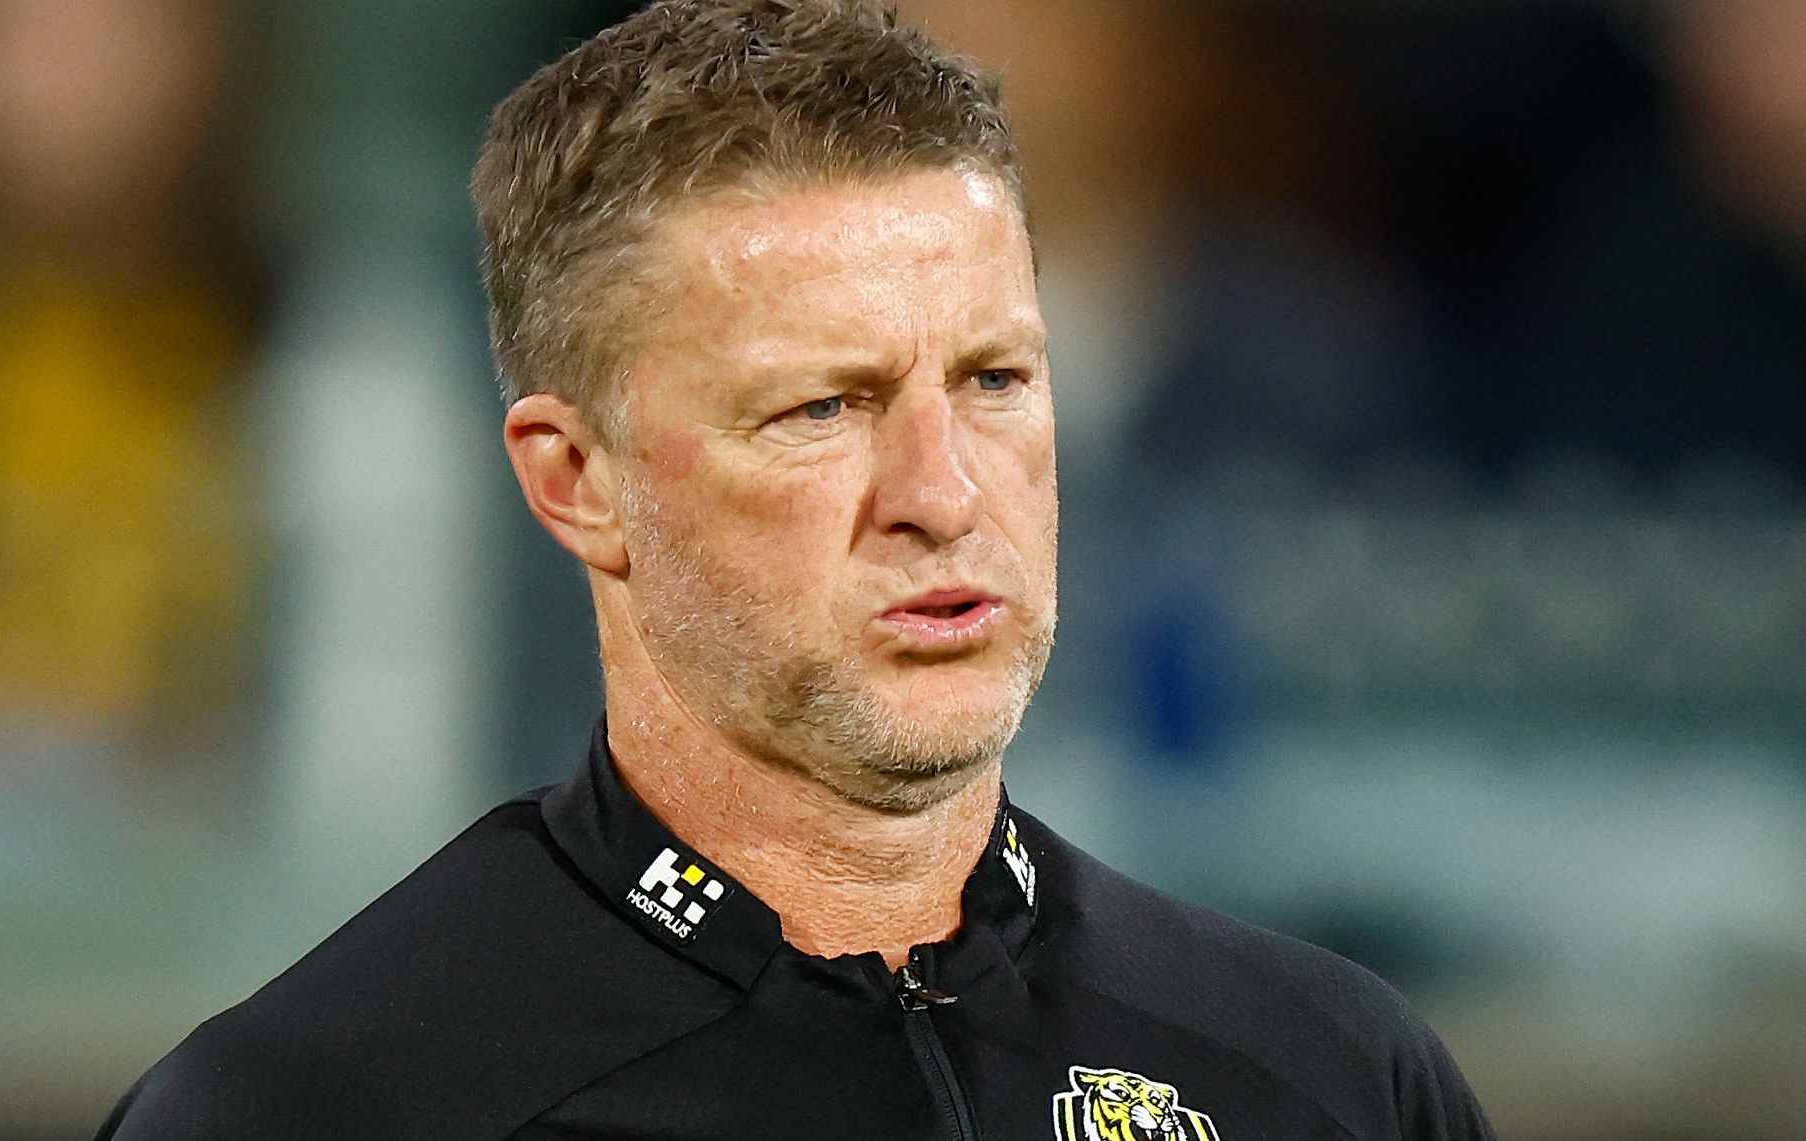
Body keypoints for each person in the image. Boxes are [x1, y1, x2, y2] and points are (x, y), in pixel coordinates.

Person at [97, 2, 1494, 1137]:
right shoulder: (317, 1107)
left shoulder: (1326, 1075)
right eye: (821, 407)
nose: (943, 495)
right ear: (577, 482)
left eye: (998, 378)